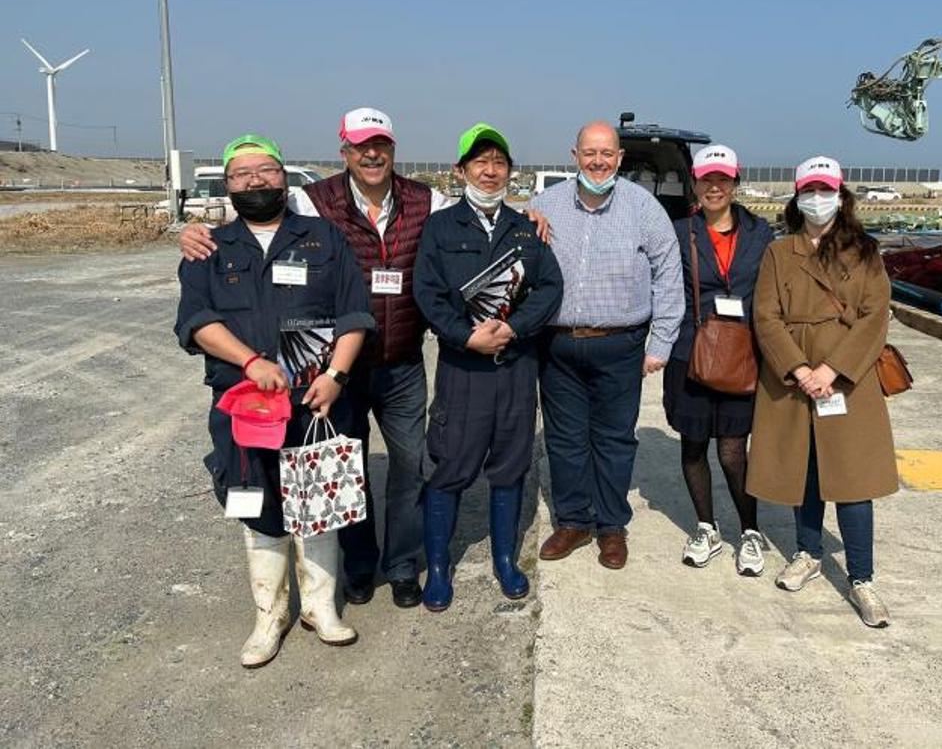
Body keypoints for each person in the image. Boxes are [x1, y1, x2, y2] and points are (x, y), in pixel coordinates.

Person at [179, 109, 548, 609]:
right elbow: (254, 211)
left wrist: (527, 219)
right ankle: (357, 565)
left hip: (401, 363)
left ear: (393, 149)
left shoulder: (427, 200)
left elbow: (481, 215)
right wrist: (193, 232)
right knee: (344, 466)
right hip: (338, 369)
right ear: (344, 151)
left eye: (380, 145)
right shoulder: (311, 199)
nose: (371, 154)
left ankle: (401, 565)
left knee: (410, 466)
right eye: (360, 146)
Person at [175, 134, 375, 667]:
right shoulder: (208, 248)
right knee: (256, 506)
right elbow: (196, 322)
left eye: (265, 170)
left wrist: (335, 375)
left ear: (284, 176)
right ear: (228, 183)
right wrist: (250, 362)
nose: (255, 181)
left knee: (320, 503)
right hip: (247, 410)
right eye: (242, 174)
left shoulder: (324, 238)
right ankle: (269, 618)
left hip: (318, 403)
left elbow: (355, 314)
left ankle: (320, 608)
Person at [412, 123, 563, 611]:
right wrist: (464, 334)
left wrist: (515, 327)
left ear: (510, 172)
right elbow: (427, 293)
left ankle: (504, 560)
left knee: (510, 465)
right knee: (450, 464)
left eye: (499, 162)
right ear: (461, 171)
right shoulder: (439, 228)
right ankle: (438, 568)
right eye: (480, 161)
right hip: (463, 370)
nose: (490, 170)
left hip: (516, 367)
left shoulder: (526, 228)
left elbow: (550, 288)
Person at [747, 155, 898, 627]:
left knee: (853, 479)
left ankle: (862, 577)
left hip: (846, 378)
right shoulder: (779, 252)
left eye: (825, 190)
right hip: (794, 378)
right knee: (802, 469)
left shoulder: (866, 252)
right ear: (797, 196)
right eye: (809, 190)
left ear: (841, 194)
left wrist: (832, 369)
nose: (817, 199)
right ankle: (808, 552)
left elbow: (876, 316)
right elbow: (765, 315)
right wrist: (797, 367)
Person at [531, 120, 684, 569]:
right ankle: (574, 520)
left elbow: (668, 276)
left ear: (619, 159)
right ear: (574, 155)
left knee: (615, 440)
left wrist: (661, 343)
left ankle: (612, 526)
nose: (598, 161)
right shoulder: (545, 205)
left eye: (607, 154)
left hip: (621, 345)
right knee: (564, 439)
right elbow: (516, 253)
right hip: (558, 345)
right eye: (589, 153)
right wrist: (524, 221)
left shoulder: (644, 208)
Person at [665, 145, 774, 575]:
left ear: (735, 183)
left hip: (741, 353)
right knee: (693, 446)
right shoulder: (678, 232)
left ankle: (749, 530)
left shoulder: (761, 233)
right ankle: (706, 526)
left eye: (723, 179)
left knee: (733, 450)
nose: (714, 186)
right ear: (695, 183)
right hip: (689, 350)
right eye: (707, 178)